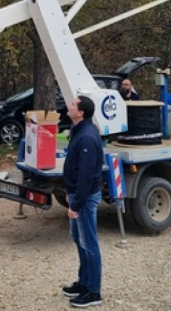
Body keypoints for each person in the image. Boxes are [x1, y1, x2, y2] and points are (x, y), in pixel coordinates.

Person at [61, 95, 104, 308]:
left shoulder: (87, 137)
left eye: (72, 104)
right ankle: (84, 283)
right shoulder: (78, 130)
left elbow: (86, 175)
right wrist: (71, 193)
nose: (68, 105)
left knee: (90, 244)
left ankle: (93, 292)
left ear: (81, 112)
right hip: (77, 195)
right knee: (79, 240)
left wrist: (76, 204)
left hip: (84, 199)